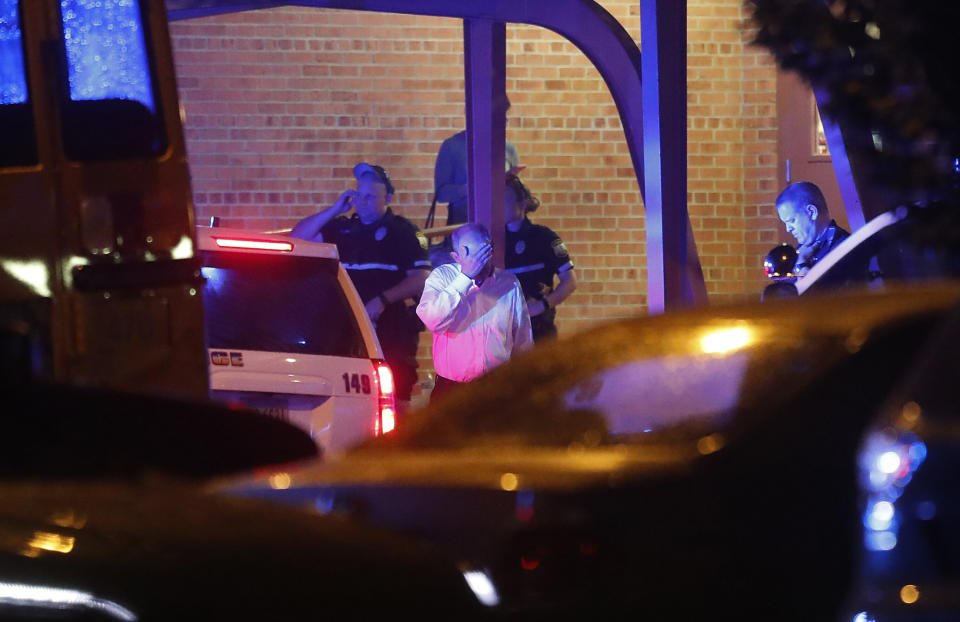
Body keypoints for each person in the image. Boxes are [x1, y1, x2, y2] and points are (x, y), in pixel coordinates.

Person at [291, 163, 431, 410]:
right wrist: (334, 209)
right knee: (350, 403)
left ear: (387, 198)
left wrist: (382, 300)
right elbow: (298, 237)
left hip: (391, 333)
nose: (363, 202)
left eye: (371, 197)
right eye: (360, 196)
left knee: (395, 401)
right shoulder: (342, 228)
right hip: (346, 333)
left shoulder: (404, 232)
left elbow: (420, 278)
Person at [417, 223, 533, 402]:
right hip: (452, 391)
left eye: (483, 253)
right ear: (456, 256)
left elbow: (522, 339)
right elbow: (433, 320)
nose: (478, 262)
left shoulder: (508, 282)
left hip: (497, 389)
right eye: (471, 255)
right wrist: (465, 278)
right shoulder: (442, 277)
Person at [504, 174, 577, 341]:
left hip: (540, 330)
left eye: (506, 199)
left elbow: (570, 282)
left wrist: (542, 305)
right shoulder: (497, 241)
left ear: (522, 204)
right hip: (508, 333)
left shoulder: (543, 237)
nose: (500, 205)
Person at [433, 98, 524, 226]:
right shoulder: (452, 146)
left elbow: (517, 192)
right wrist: (469, 188)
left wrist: (509, 183)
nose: (504, 121)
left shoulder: (508, 147)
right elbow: (441, 194)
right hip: (465, 223)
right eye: (499, 116)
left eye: (504, 116)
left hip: (502, 222)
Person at [775, 181, 850, 275]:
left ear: (811, 212)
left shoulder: (845, 249)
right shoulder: (799, 251)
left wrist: (801, 265)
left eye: (792, 221)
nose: (788, 229)